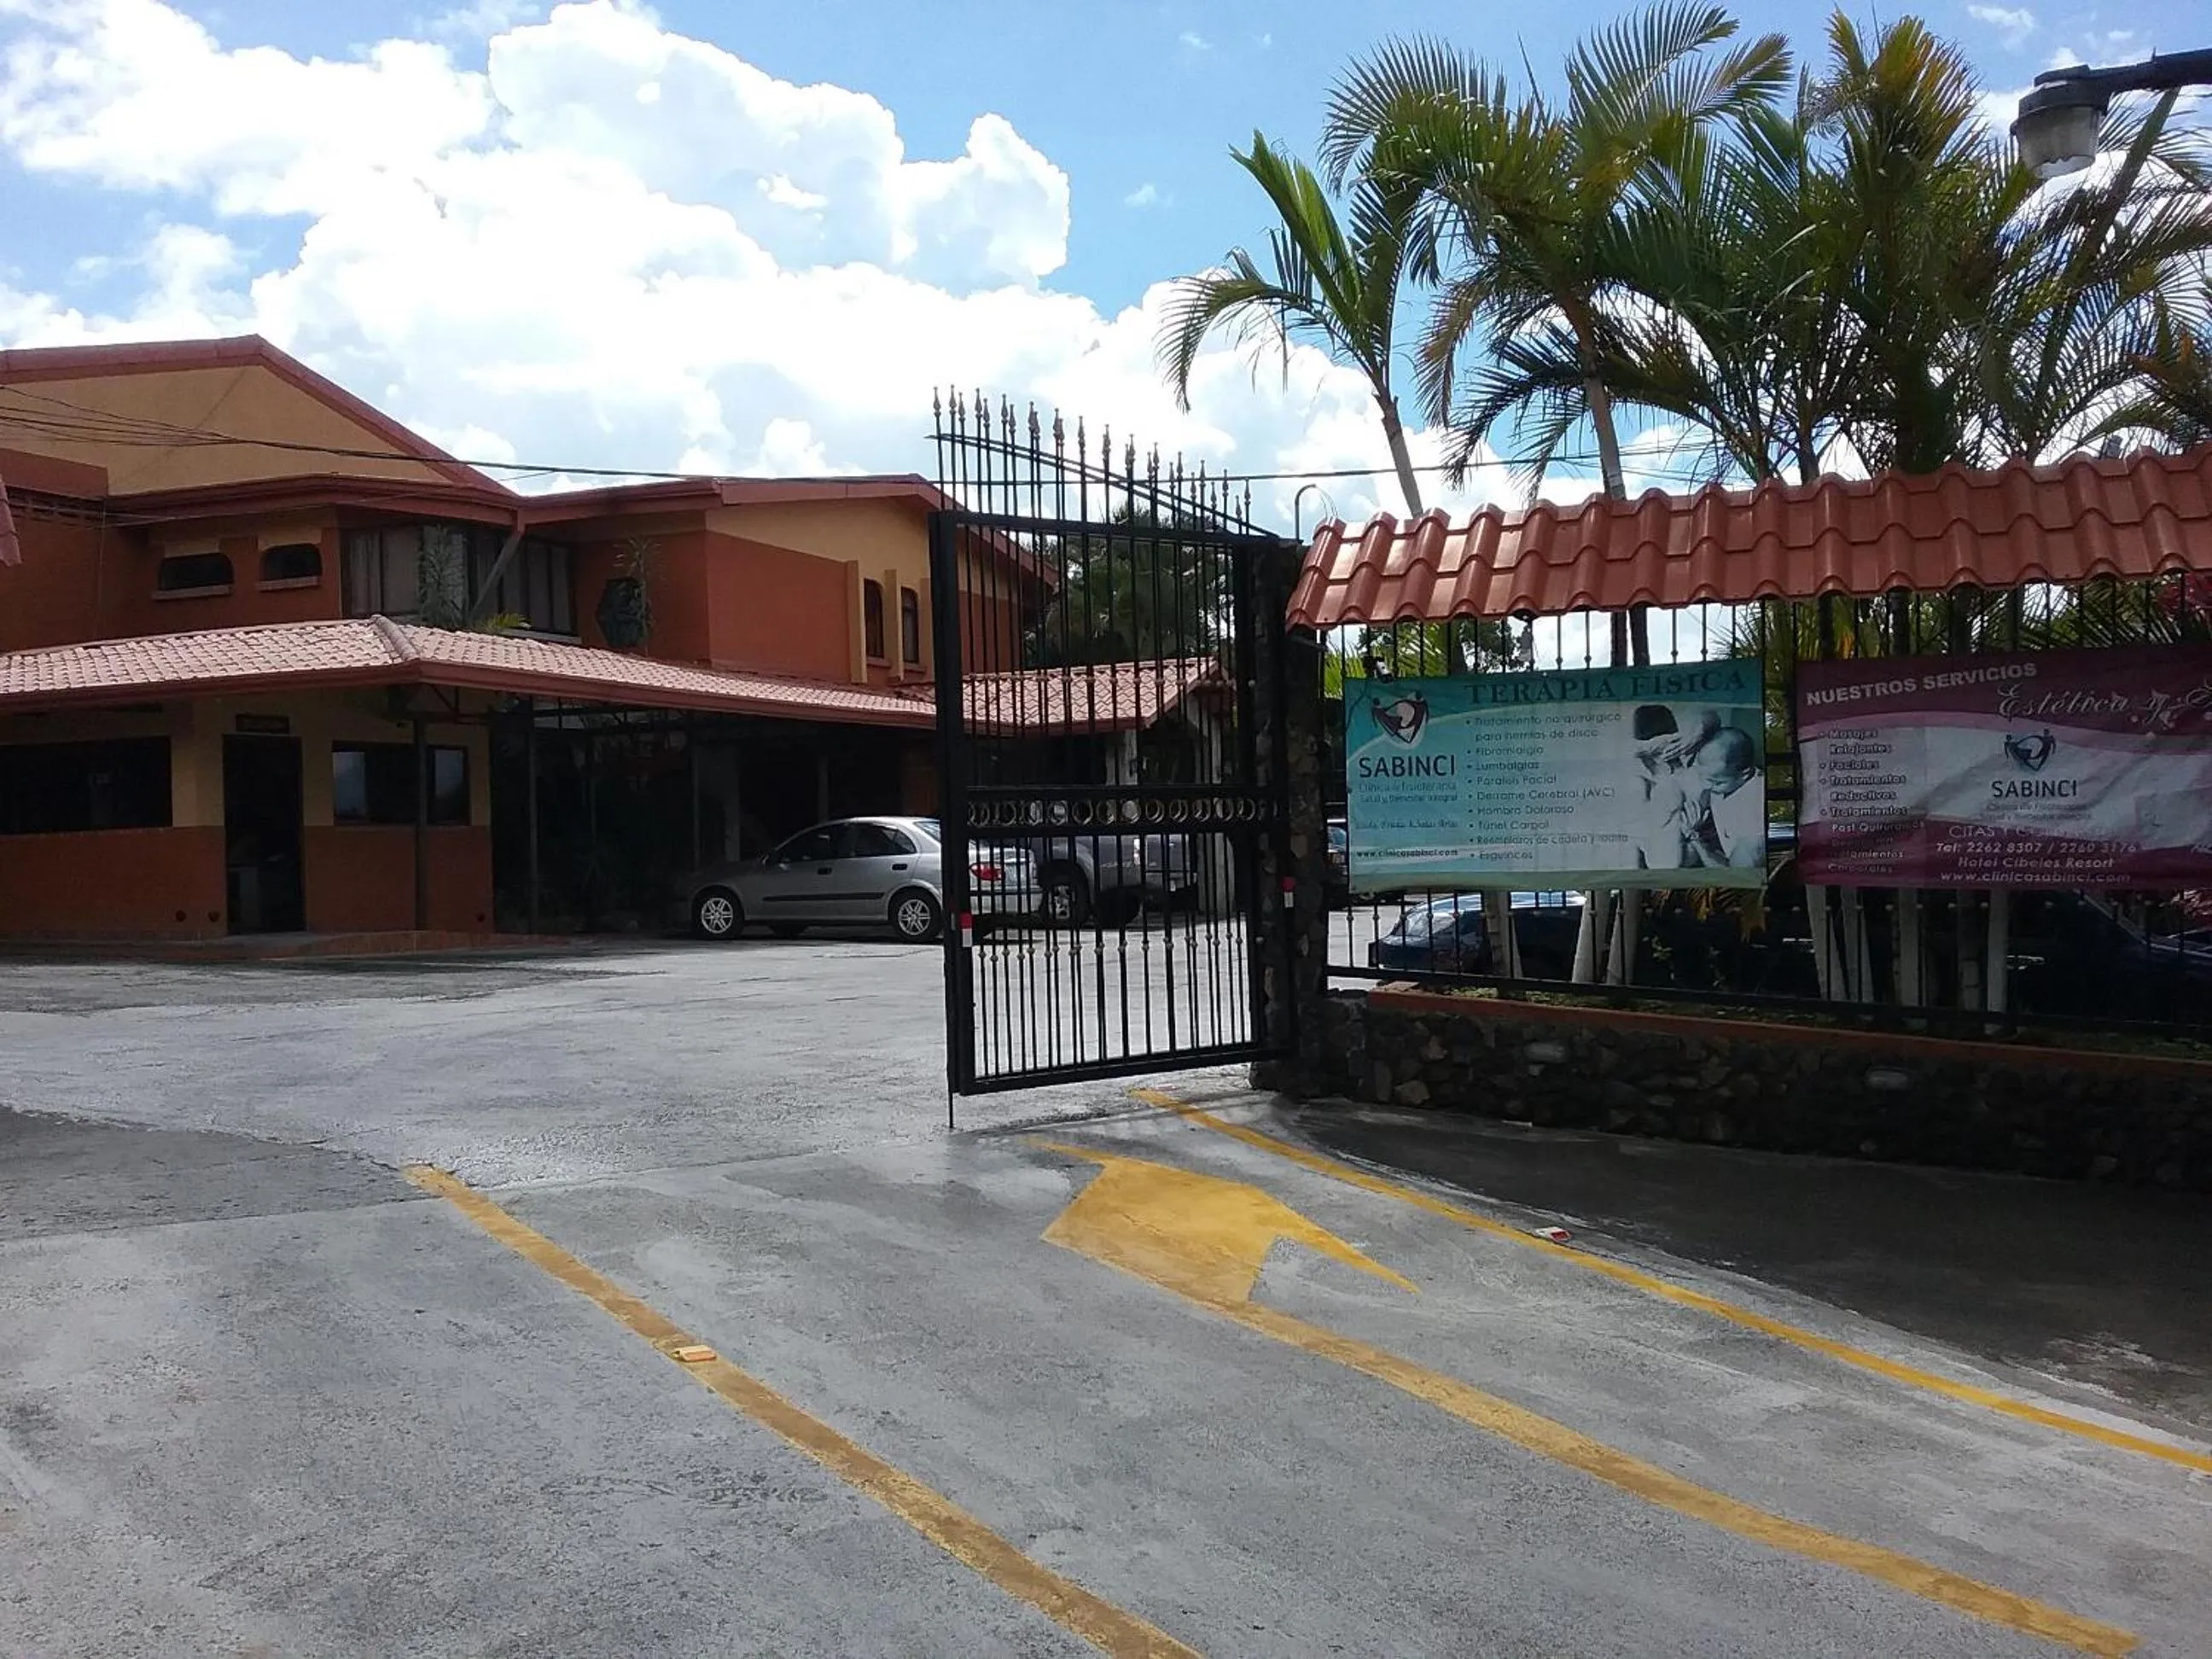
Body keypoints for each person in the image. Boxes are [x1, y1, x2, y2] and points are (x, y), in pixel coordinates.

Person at [1679, 724, 1766, 870]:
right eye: (1701, 775)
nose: (1705, 786)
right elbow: (1709, 717)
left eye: (1716, 782)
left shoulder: (1755, 816)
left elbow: (1735, 875)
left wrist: (1694, 837)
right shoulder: (1714, 773)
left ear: (1744, 774)